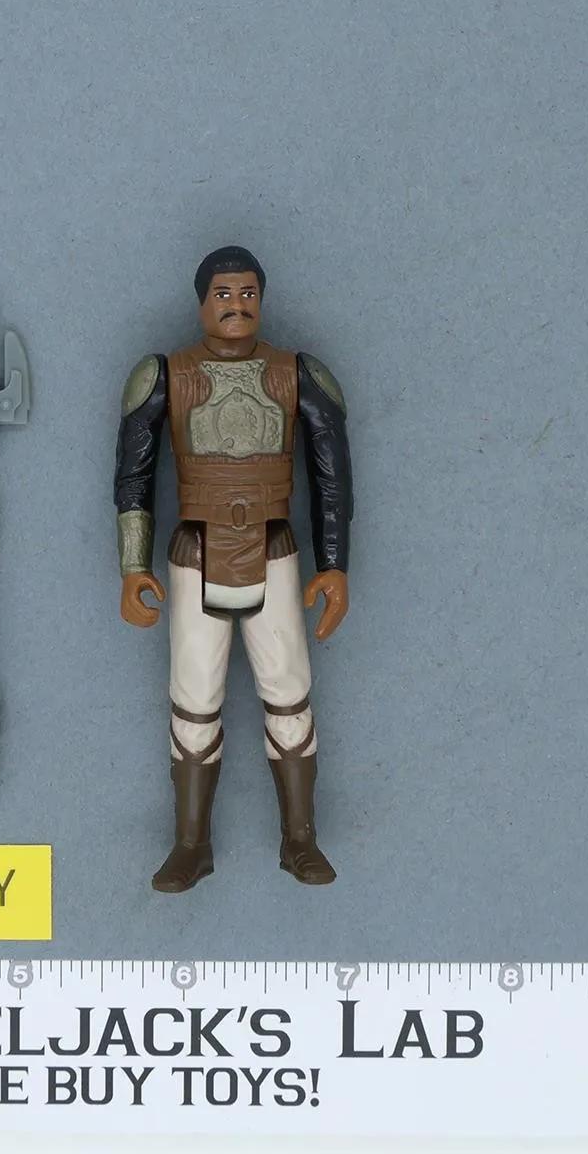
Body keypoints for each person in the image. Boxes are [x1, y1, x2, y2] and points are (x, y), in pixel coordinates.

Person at [114, 245, 353, 891]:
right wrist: (132, 564)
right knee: (194, 698)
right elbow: (134, 477)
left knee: (289, 688)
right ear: (202, 302)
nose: (237, 305)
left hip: (274, 549)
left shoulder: (297, 374)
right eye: (223, 294)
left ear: (261, 300)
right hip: (195, 551)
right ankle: (191, 845)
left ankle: (300, 840)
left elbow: (332, 479)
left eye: (247, 293)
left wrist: (334, 565)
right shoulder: (164, 376)